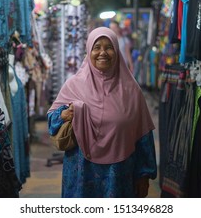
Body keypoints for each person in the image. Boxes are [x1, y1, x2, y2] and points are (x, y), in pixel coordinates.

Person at [47, 27, 157, 198]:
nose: (102, 53)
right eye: (97, 47)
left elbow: (143, 136)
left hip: (119, 174)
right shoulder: (73, 86)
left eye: (109, 47)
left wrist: (144, 175)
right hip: (81, 174)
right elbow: (51, 120)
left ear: (117, 51)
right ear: (88, 50)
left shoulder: (132, 90)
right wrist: (63, 114)